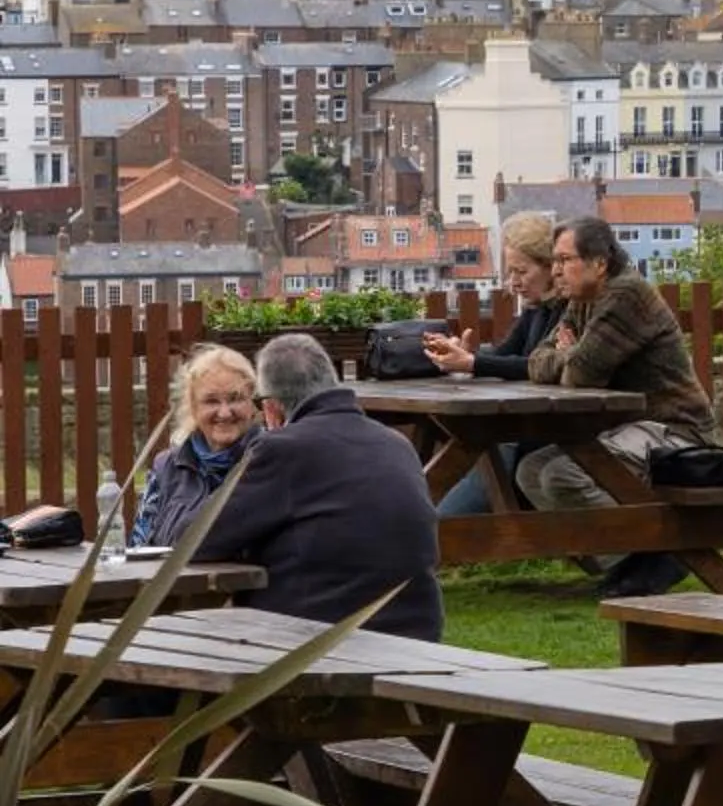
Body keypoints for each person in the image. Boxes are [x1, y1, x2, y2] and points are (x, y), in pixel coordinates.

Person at [191, 333, 443, 640]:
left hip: (321, 642)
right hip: (418, 635)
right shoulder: (397, 443)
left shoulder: (284, 449)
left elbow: (197, 540)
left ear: (271, 408)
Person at [519, 216, 716, 599]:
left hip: (674, 429)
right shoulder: (581, 301)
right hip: (628, 428)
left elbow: (578, 374)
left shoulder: (626, 296)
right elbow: (536, 362)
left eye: (565, 260)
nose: (556, 271)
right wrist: (568, 356)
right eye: (554, 261)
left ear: (599, 263)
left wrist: (567, 354)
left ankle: (655, 553)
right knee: (532, 470)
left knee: (561, 474)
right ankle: (630, 561)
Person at [419, 210, 562, 519]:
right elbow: (506, 354)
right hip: (531, 423)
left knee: (490, 445)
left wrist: (473, 362)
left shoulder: (567, 311)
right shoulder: (536, 309)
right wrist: (468, 356)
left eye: (521, 272)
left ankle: (432, 533)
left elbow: (534, 365)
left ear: (550, 267)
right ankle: (427, 530)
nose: (514, 283)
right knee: (483, 444)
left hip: (557, 427)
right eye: (510, 273)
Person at [131, 343, 264, 547]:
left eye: (235, 399)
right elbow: (138, 547)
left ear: (252, 404)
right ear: (193, 407)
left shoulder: (269, 459)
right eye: (211, 401)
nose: (225, 412)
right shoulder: (166, 467)